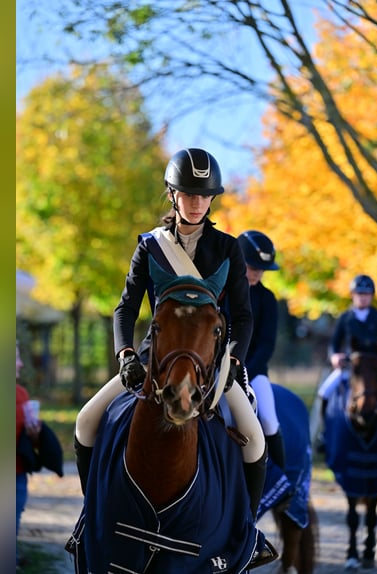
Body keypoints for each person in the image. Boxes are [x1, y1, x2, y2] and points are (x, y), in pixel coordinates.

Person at [74, 149, 269, 558]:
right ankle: (91, 518)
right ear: (172, 195)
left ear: (212, 199)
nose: (196, 202)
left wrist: (232, 363)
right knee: (86, 421)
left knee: (253, 439)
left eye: (203, 195)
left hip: (211, 368)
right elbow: (126, 307)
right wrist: (126, 354)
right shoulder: (150, 246)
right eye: (187, 194)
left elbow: (243, 317)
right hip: (152, 362)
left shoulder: (229, 250)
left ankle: (248, 538)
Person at [238, 230, 286, 469]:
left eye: (261, 268)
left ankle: (282, 483)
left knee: (268, 418)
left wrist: (244, 371)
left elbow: (267, 344)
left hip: (253, 372)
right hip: (214, 370)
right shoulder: (220, 292)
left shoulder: (267, 299)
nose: (257, 272)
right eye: (252, 266)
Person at [317, 274, 377, 403]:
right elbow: (334, 343)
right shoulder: (345, 318)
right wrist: (335, 356)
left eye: (366, 294)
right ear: (352, 295)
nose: (363, 298)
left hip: (375, 368)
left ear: (371, 296)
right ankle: (326, 422)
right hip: (349, 366)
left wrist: (376, 354)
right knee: (324, 392)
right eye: (359, 294)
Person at [16, 342, 40, 569]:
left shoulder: (22, 394)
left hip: (17, 475)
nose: (21, 364)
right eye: (16, 358)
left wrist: (35, 435)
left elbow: (28, 439)